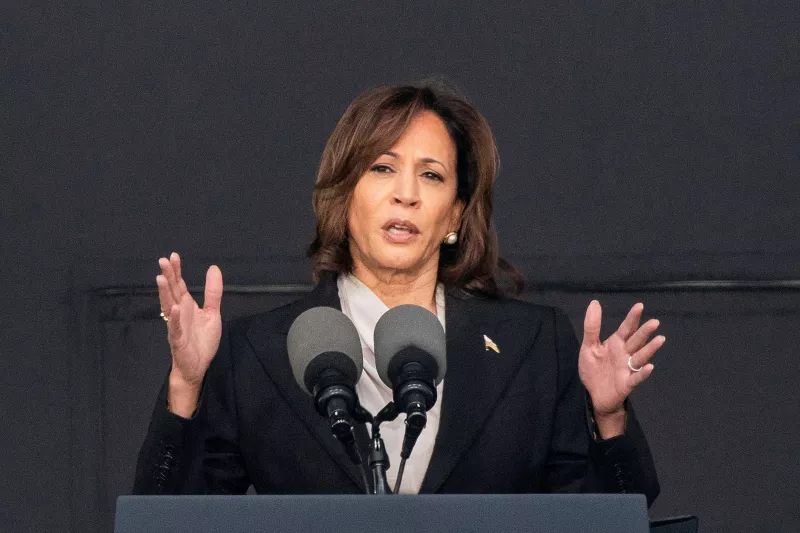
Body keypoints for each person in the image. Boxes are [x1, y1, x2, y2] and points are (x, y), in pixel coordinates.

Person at [134, 82, 662, 504]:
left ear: (455, 216)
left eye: (431, 176)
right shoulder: (258, 352)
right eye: (382, 168)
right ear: (344, 197)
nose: (405, 194)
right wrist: (185, 385)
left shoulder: (533, 346)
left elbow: (610, 517)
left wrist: (608, 418)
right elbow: (171, 519)